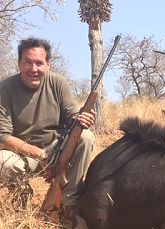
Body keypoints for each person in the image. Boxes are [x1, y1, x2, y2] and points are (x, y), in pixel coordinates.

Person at [0, 37, 96, 218]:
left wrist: (84, 118)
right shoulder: (4, 89)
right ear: (19, 63)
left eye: (39, 63)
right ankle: (21, 196)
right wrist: (40, 155)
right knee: (2, 161)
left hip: (56, 151)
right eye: (28, 62)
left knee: (86, 137)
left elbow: (72, 119)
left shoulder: (58, 82)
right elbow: (3, 136)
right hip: (23, 155)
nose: (34, 69)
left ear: (48, 65)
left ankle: (69, 200)